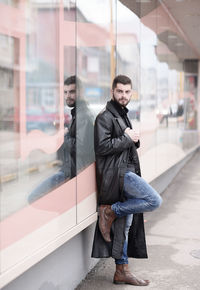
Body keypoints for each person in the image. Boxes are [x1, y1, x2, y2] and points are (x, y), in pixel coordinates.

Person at [91, 75, 162, 286]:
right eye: (120, 91)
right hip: (118, 175)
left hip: (125, 172)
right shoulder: (104, 117)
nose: (123, 96)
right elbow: (101, 147)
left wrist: (133, 139)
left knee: (126, 224)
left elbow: (125, 143)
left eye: (127, 92)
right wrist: (127, 138)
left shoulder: (121, 115)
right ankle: (111, 211)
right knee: (154, 200)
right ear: (112, 91)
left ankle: (121, 270)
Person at [28, 75, 94, 203]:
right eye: (65, 92)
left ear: (80, 92)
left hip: (72, 172)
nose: (68, 96)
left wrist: (65, 135)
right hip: (71, 170)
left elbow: (81, 148)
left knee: (33, 198)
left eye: (72, 92)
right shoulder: (77, 113)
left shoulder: (83, 116)